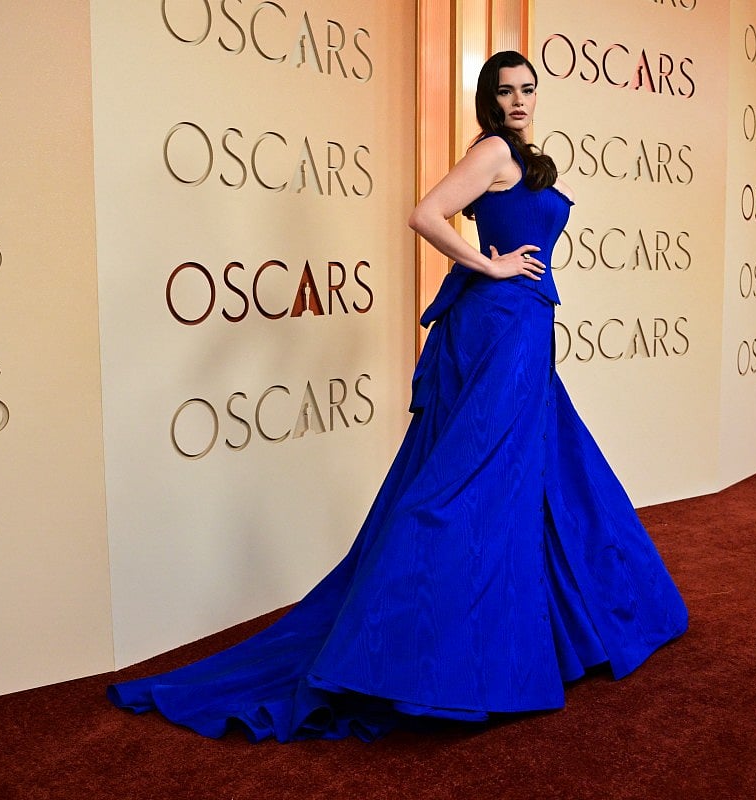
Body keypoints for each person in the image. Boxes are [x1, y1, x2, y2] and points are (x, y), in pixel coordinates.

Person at [108, 50, 687, 743]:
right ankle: (416, 654)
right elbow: (425, 214)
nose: (519, 100)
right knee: (472, 481)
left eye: (528, 89)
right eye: (505, 91)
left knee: (535, 472)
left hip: (521, 323)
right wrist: (487, 264)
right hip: (504, 325)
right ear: (489, 99)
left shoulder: (516, 155)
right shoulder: (495, 150)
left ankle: (539, 635)